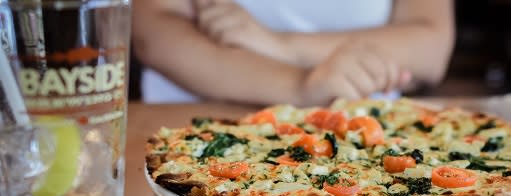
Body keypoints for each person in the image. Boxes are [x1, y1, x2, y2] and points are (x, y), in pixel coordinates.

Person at [132, 0, 455, 105]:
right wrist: (301, 85)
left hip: (370, 137)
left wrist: (281, 45)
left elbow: (431, 44)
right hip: (191, 126)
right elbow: (154, 32)